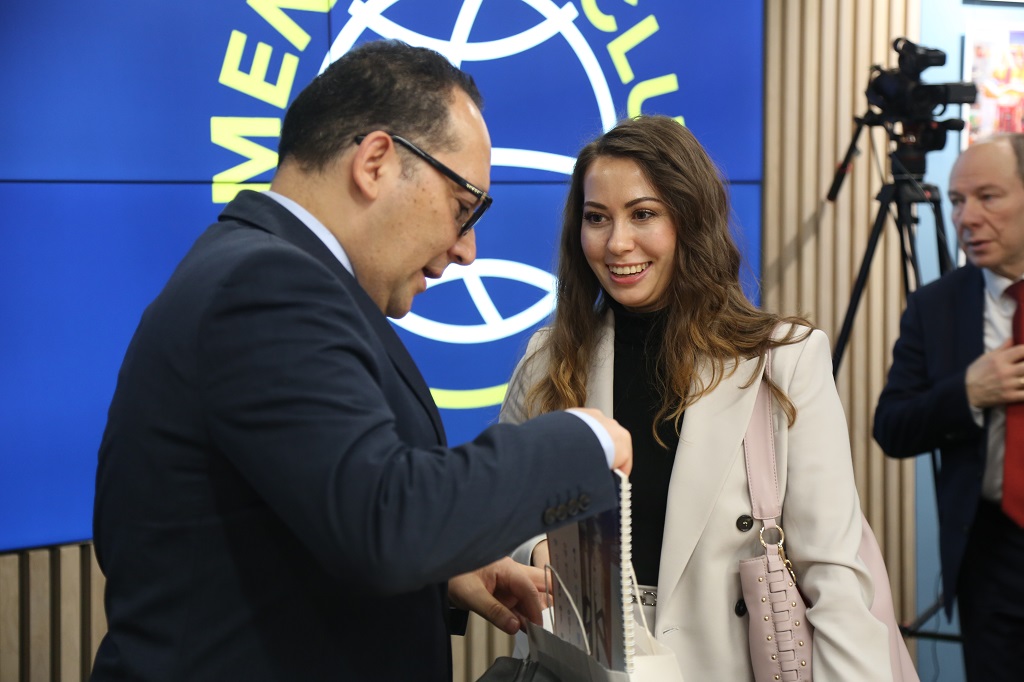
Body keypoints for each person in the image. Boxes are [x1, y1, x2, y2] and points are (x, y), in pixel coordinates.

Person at [90, 40, 633, 682]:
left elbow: (307, 511)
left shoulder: (263, 273)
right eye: (464, 208)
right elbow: (384, 519)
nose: (467, 250)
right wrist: (581, 439)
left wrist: (447, 571)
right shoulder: (268, 287)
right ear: (376, 162)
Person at [501, 115, 894, 679]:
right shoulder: (549, 359)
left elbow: (832, 573)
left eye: (643, 214)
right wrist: (536, 550)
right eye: (596, 218)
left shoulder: (784, 359)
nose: (617, 244)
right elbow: (499, 510)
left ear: (690, 219)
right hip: (584, 663)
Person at [874, 133, 1024, 682]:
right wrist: (967, 392)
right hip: (991, 554)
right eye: (958, 201)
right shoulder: (935, 306)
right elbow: (891, 426)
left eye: (988, 197)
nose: (968, 217)